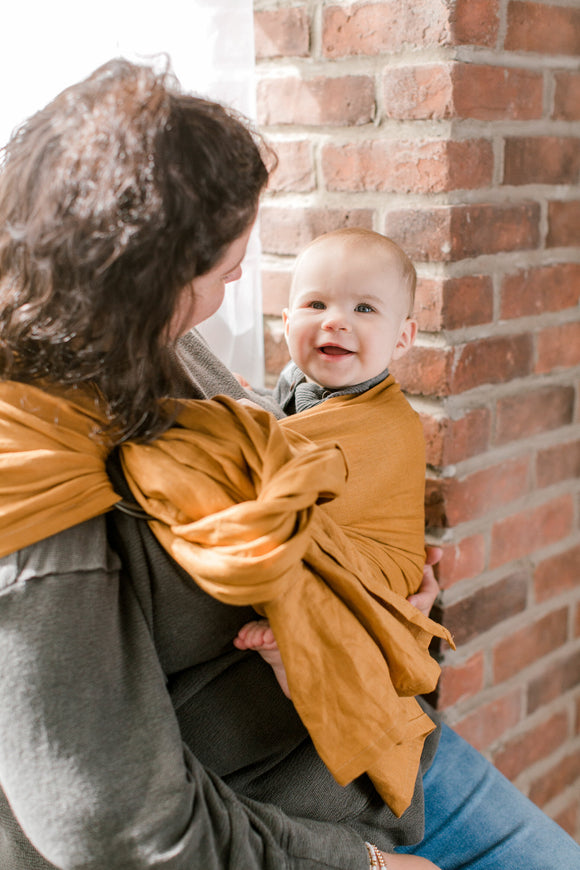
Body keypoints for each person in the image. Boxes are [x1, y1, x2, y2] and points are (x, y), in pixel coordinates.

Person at [0, 59, 578, 870]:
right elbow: (122, 829)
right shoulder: (29, 501)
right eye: (224, 265)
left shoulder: (149, 345)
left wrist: (365, 584)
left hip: (382, 751)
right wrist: (362, 868)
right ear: (142, 273)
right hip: (290, 826)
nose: (240, 276)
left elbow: (271, 488)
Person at [234, 228, 453, 697]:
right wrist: (250, 402)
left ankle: (296, 663)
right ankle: (296, 641)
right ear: (288, 321)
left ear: (402, 338)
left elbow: (282, 448)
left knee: (345, 590)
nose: (335, 322)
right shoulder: (295, 379)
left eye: (364, 308)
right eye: (316, 305)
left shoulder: (388, 420)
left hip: (382, 562)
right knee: (290, 553)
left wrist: (240, 413)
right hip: (329, 535)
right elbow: (285, 437)